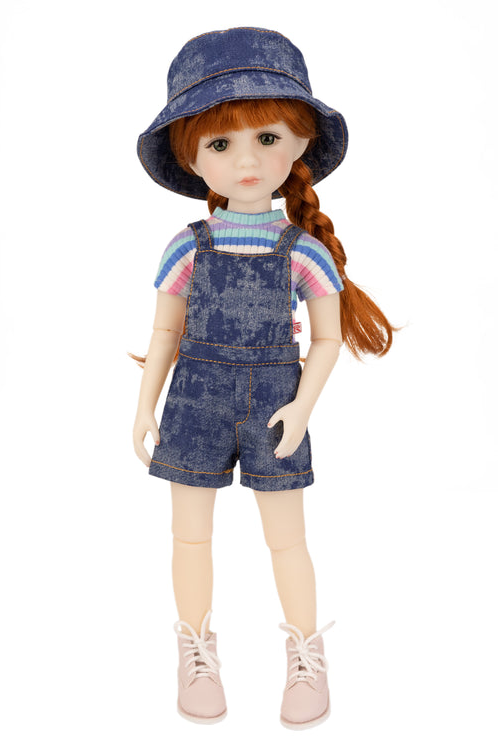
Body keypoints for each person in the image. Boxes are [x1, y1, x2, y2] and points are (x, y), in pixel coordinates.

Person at [132, 27, 395, 729]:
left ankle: (306, 653)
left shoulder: (303, 250)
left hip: (277, 401)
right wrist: (144, 404)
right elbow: (165, 333)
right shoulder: (186, 247)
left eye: (267, 138)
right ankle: (196, 652)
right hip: (195, 399)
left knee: (288, 537)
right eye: (220, 144)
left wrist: (303, 406)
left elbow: (328, 338)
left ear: (300, 142)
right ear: (190, 156)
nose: (246, 160)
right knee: (190, 535)